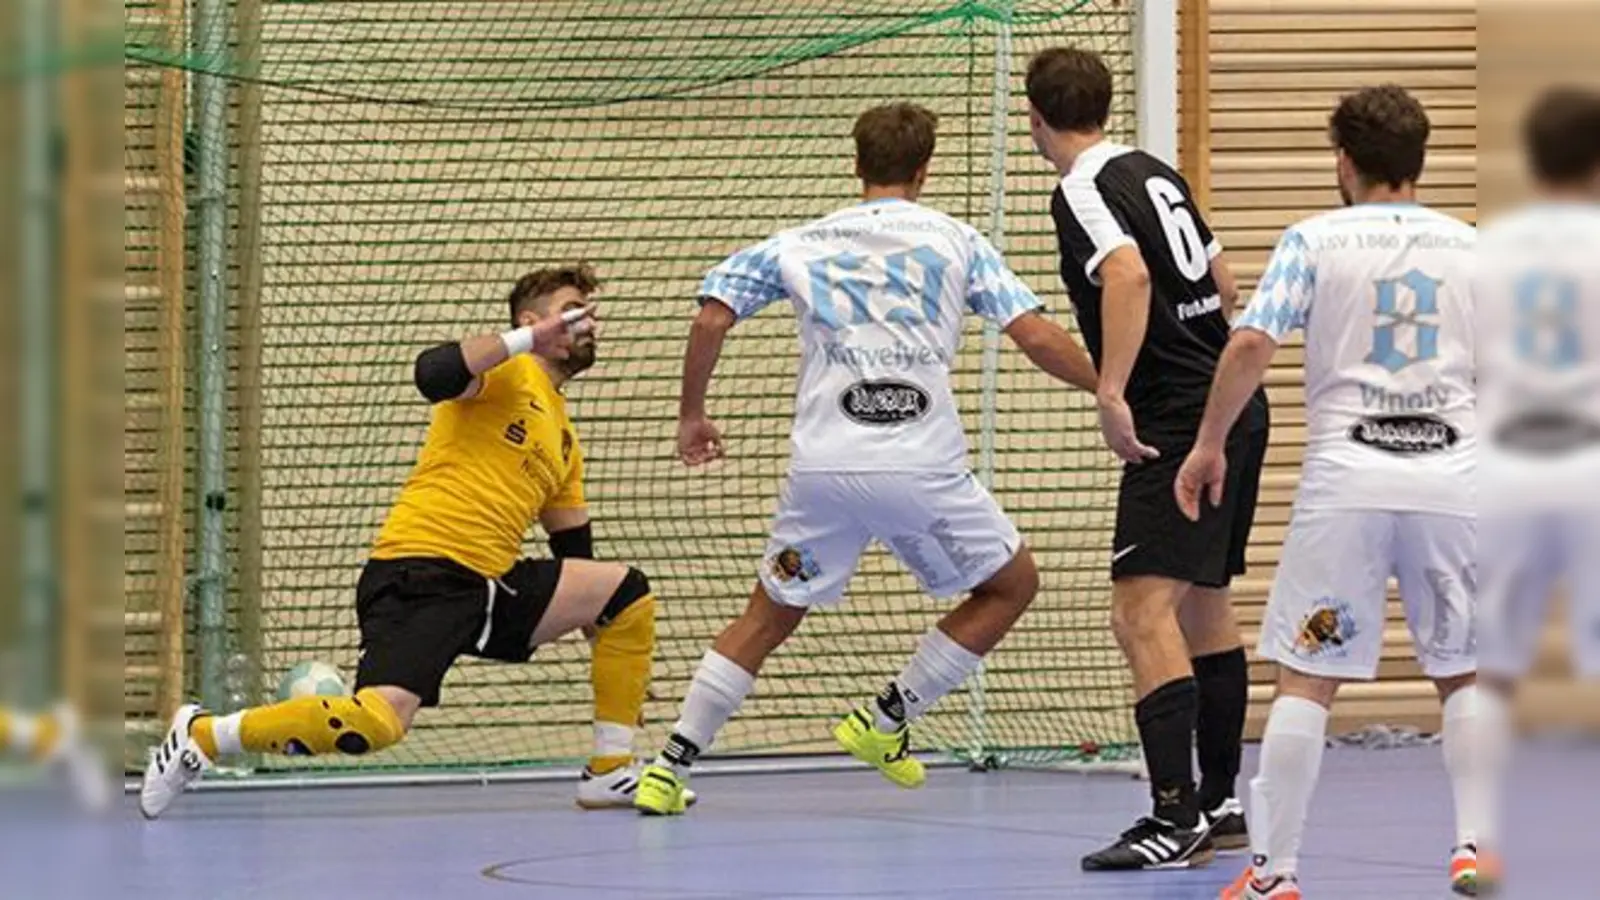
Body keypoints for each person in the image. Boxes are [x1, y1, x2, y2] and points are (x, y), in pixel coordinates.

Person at [631, 101, 1099, 816]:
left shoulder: (799, 240)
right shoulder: (958, 241)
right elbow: (1034, 336)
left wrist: (692, 415)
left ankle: (667, 766)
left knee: (770, 612)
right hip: (921, 466)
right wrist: (1112, 383)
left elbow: (710, 313)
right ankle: (885, 718)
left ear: (857, 165)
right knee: (1011, 585)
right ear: (924, 169)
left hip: (824, 470)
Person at [140, 265, 684, 817]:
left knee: (626, 592)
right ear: (531, 320)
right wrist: (526, 343)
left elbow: (575, 554)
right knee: (375, 724)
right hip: (421, 572)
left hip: (489, 585)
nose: (588, 322)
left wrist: (615, 662)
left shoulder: (563, 436)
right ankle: (205, 735)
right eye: (573, 309)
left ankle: (609, 770)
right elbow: (432, 373)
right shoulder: (506, 370)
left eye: (590, 312)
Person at [1171, 85, 1483, 899]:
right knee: (1466, 671)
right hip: (1453, 481)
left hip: (1348, 484)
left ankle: (1275, 874)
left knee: (1307, 677)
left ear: (1344, 162)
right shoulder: (1473, 247)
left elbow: (1247, 345)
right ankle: (1476, 849)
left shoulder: (1312, 240)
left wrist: (1209, 446)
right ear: (1420, 161)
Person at [1025, 46, 1266, 870]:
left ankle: (1173, 816)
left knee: (1138, 612)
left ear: (1036, 118)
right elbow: (1223, 282)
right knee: (1203, 602)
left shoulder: (1083, 186)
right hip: (1233, 405)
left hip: (1175, 413)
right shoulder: (1155, 169)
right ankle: (1223, 801)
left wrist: (1113, 389)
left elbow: (1125, 277)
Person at [1472, 84, 1600, 897]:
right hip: (1590, 464)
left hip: (1510, 464)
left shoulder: (1492, 246)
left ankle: (1479, 843)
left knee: (1494, 669)